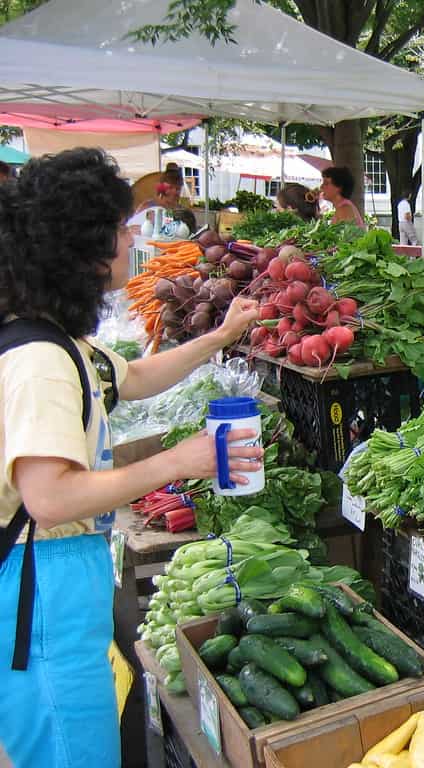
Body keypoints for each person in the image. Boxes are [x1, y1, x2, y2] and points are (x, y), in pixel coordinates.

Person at [0, 149, 261, 767]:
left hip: (62, 576)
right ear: (84, 247)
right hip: (41, 588)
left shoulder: (60, 342)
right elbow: (51, 496)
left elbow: (136, 377)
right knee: (69, 750)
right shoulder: (38, 362)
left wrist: (220, 338)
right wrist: (178, 462)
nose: (132, 238)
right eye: (120, 228)